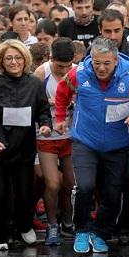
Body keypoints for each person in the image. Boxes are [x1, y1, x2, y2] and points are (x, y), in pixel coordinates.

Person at [54, 37, 129, 253]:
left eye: (106, 63)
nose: (101, 68)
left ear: (116, 60)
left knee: (112, 192)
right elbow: (62, 92)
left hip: (117, 144)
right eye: (96, 62)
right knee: (85, 187)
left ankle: (101, 232)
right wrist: (61, 117)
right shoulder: (78, 74)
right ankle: (81, 229)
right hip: (85, 141)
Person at [0, 40, 52, 250]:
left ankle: (24, 225)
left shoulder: (35, 84)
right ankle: (0, 234)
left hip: (24, 149)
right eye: (8, 58)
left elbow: (43, 110)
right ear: (1, 61)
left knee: (25, 193)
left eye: (18, 57)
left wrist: (45, 125)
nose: (13, 62)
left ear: (25, 59)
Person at [33, 38, 76, 245]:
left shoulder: (77, 71)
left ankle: (68, 222)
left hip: (71, 135)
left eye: (68, 66)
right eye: (60, 66)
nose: (64, 71)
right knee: (52, 183)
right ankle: (52, 225)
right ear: (52, 59)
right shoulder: (42, 73)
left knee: (70, 183)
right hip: (46, 135)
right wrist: (52, 102)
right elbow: (31, 102)